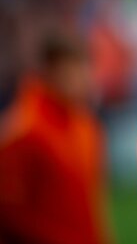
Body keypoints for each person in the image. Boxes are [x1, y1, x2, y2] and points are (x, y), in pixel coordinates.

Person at [0, 32, 109, 244]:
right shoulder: (23, 130)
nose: (83, 78)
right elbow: (8, 211)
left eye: (85, 68)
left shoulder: (84, 124)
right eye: (72, 71)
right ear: (49, 72)